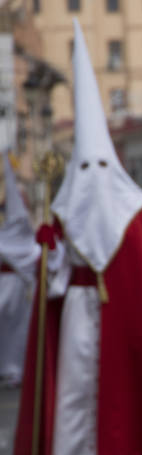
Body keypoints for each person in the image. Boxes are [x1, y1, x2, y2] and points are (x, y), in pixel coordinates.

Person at [11, 19, 142, 455]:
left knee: (124, 392)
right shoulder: (63, 206)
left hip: (123, 317)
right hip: (77, 308)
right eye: (86, 168)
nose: (94, 178)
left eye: (101, 167)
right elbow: (49, 277)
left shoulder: (133, 212)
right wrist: (48, 249)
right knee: (73, 391)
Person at [0, 153, 40, 386]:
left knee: (16, 331)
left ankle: (15, 367)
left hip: (16, 287)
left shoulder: (22, 232)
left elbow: (29, 254)